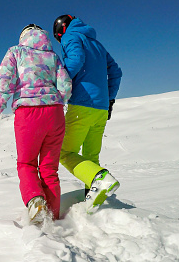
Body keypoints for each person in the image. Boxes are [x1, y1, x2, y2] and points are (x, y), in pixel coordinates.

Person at [0, 24, 72, 224]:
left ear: (23, 36)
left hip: (28, 113)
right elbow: (66, 86)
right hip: (55, 113)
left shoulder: (15, 52)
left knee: (26, 164)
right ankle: (54, 220)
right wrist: (54, 101)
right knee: (49, 169)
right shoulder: (53, 56)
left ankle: (35, 202)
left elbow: (5, 84)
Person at [52, 15, 123, 213]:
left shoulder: (71, 37)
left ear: (62, 29)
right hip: (101, 108)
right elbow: (116, 72)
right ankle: (91, 198)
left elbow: (76, 60)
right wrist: (109, 100)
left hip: (82, 104)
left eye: (58, 37)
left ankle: (99, 179)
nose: (60, 42)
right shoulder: (97, 45)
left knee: (64, 153)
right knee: (91, 156)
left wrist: (57, 84)